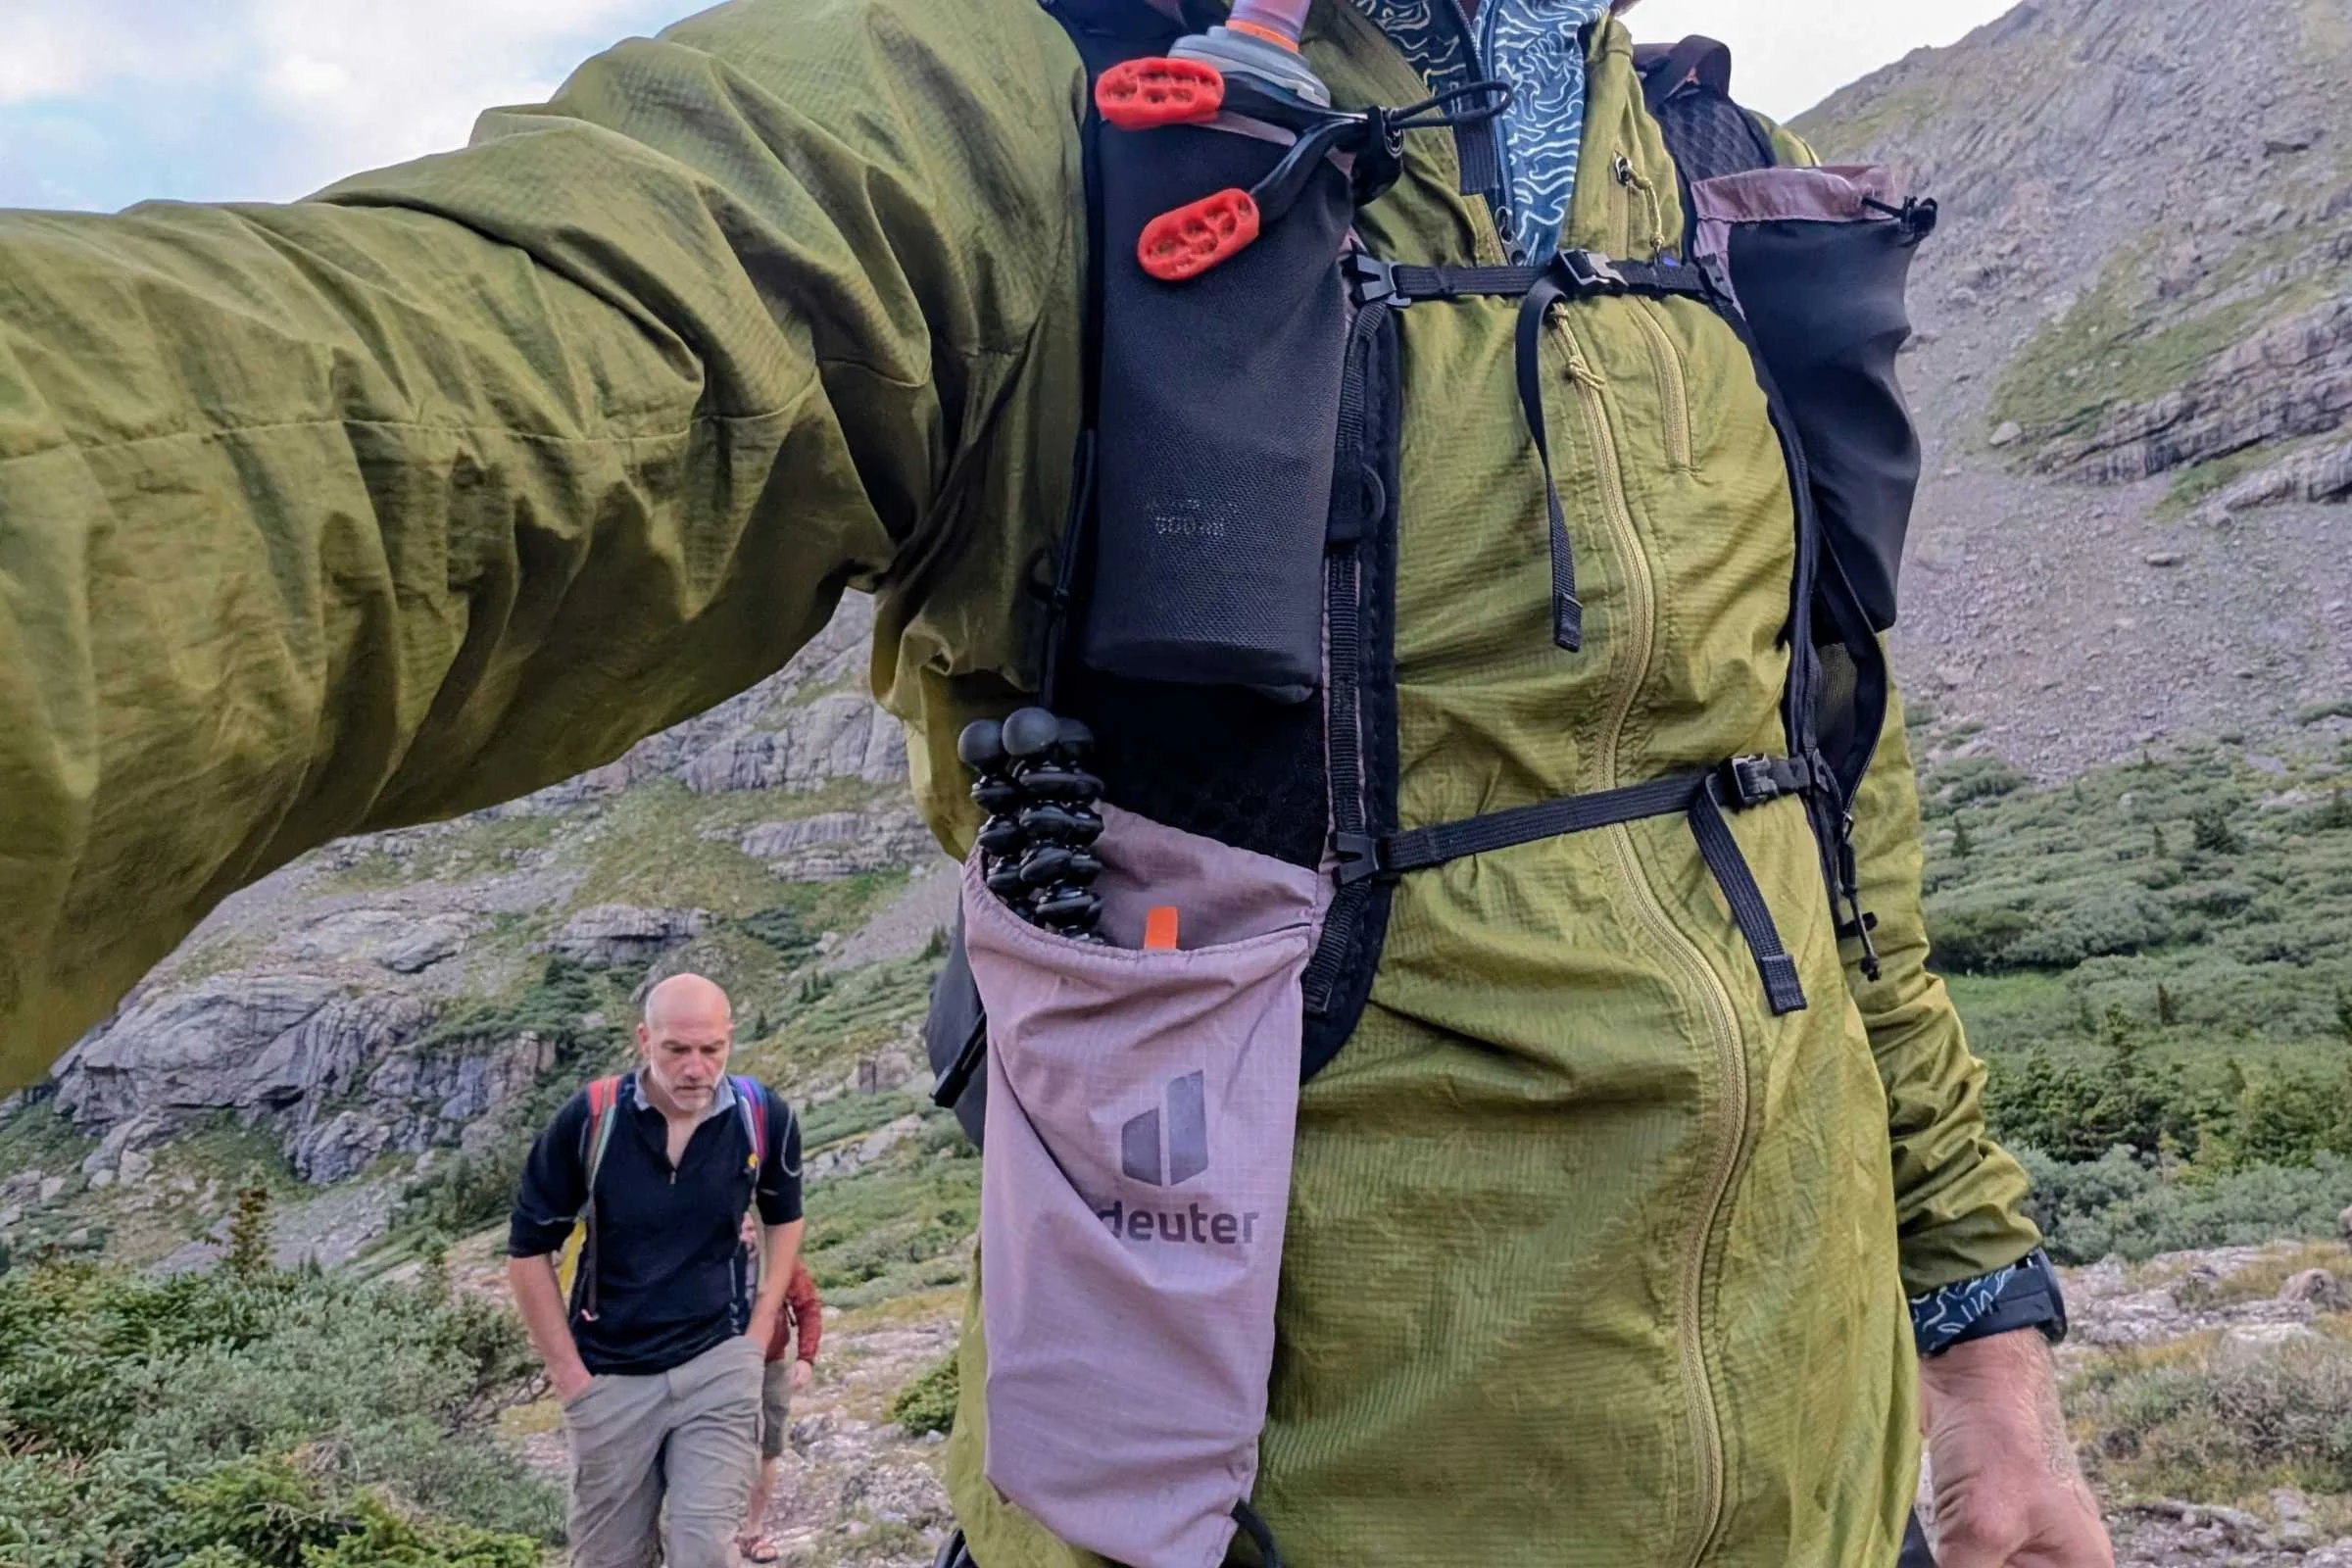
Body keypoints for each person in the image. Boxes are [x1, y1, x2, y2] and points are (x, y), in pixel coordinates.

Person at [0, 0, 2112, 1562]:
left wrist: (1986, 1362)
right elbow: (430, 403)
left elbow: (1835, 833)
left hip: (1836, 1504)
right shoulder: (1043, 111)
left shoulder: (1717, 170)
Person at [506, 974, 805, 1568]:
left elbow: (784, 1216)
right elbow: (525, 1252)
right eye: (677, 1050)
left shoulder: (761, 1115)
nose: (696, 1068)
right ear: (645, 1040)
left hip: (718, 1366)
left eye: (711, 1050)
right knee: (609, 1559)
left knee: (704, 1550)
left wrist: (758, 1332)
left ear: (729, 1040)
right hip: (612, 1377)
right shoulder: (591, 1119)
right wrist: (571, 1380)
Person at [733, 1212, 823, 1565]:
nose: (748, 1235)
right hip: (720, 1369)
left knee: (768, 1446)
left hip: (768, 1364)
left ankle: (754, 1530)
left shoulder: (781, 1263)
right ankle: (719, 1532)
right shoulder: (709, 1260)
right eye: (741, 1228)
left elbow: (808, 1307)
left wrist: (806, 1358)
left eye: (753, 1228)